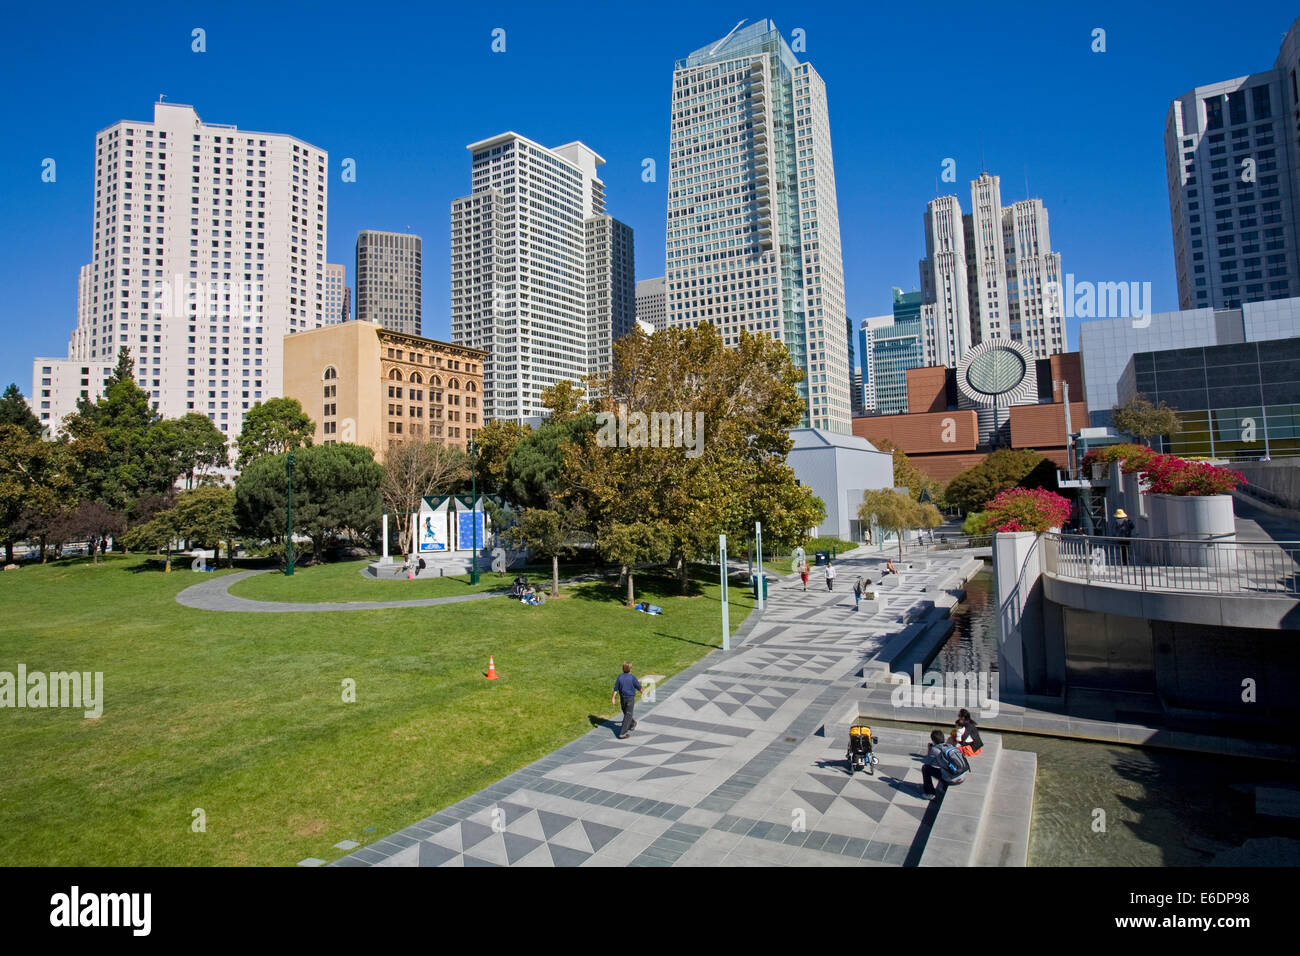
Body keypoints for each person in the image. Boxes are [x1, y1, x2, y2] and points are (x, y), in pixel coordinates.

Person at [612, 662, 642, 739]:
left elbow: (638, 686)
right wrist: (613, 697)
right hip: (623, 698)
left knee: (627, 715)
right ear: (630, 669)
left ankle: (622, 733)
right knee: (626, 712)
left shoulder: (630, 677)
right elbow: (616, 688)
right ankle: (632, 723)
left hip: (629, 698)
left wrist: (613, 697)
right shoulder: (624, 677)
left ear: (623, 668)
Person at [921, 729, 948, 799]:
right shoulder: (948, 745)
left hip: (949, 778)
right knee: (945, 768)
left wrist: (929, 750)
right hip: (958, 775)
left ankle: (929, 793)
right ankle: (944, 787)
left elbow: (927, 762)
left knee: (925, 768)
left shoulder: (935, 749)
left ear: (933, 740)